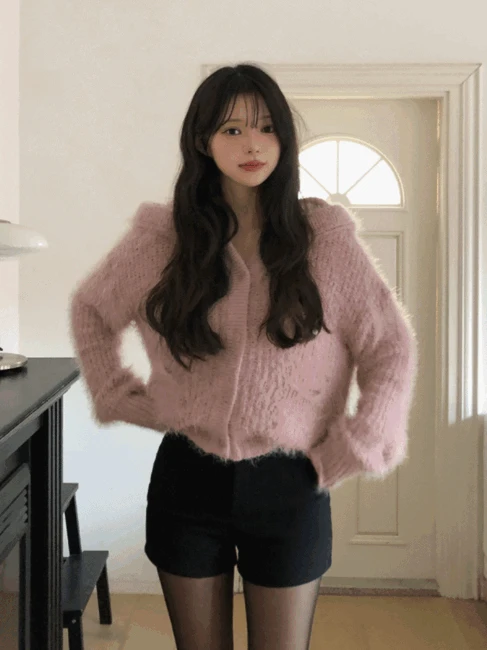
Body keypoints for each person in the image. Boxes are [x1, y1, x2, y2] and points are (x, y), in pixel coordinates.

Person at [69, 63, 418, 650]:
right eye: (231, 129)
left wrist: (362, 439)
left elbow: (391, 345)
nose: (251, 144)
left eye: (265, 127)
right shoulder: (163, 239)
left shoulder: (324, 240)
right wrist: (115, 393)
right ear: (202, 140)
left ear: (284, 137)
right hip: (187, 479)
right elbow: (92, 309)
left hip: (290, 484)